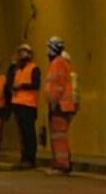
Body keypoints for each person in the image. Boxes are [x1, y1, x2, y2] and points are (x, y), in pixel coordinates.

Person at [45, 37, 78, 175]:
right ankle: (62, 163)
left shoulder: (57, 63)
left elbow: (57, 85)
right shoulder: (63, 63)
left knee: (59, 136)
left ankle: (62, 165)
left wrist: (53, 101)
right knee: (60, 136)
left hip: (59, 105)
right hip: (64, 105)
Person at [6, 43, 40, 169]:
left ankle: (30, 159)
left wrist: (21, 86)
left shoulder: (34, 68)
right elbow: (9, 82)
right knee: (22, 134)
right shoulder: (18, 69)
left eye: (24, 52)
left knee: (28, 133)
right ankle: (24, 158)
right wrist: (12, 66)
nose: (21, 54)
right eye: (20, 52)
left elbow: (35, 84)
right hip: (18, 104)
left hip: (29, 105)